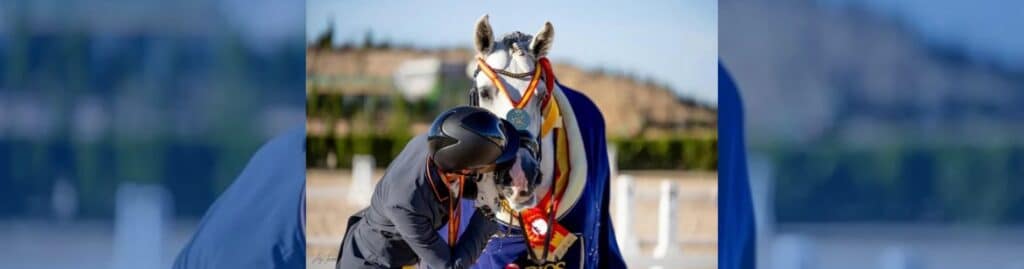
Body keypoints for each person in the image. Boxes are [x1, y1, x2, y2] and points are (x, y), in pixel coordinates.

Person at [336, 106, 527, 269]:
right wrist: (487, 214)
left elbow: (463, 172)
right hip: (374, 262)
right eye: (491, 166)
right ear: (466, 169)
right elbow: (450, 266)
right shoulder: (406, 203)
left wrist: (504, 173)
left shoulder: (441, 142)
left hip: (407, 256)